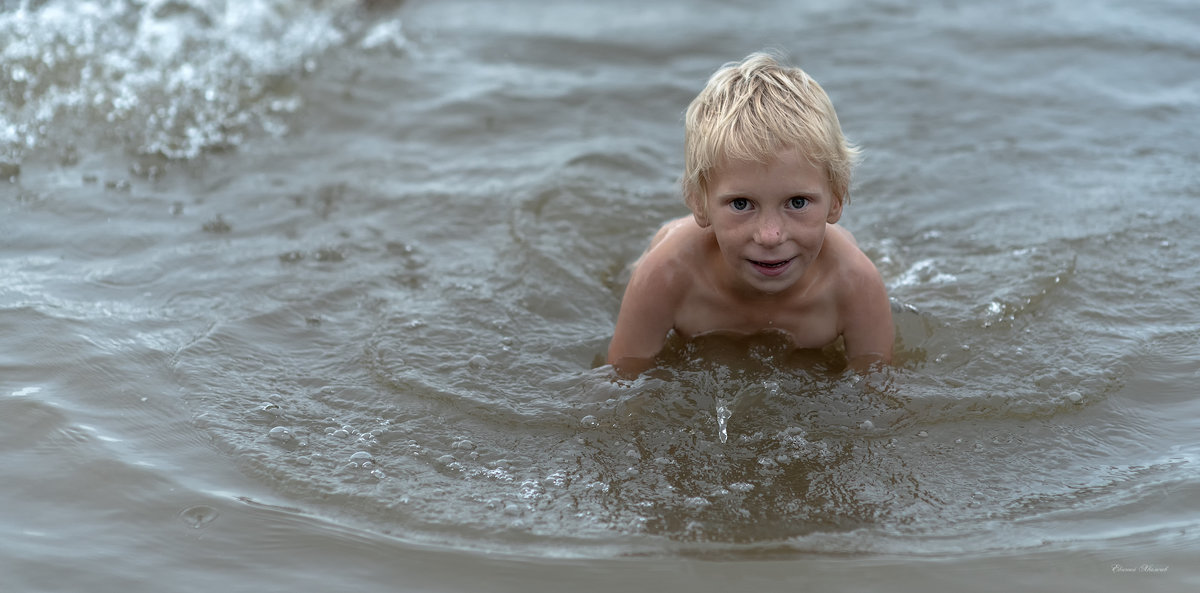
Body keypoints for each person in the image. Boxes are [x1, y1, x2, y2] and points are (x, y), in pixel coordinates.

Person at [606, 52, 893, 377]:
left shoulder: (854, 284)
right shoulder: (667, 275)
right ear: (699, 203)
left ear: (837, 199)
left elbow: (879, 390)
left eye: (797, 202)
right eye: (742, 204)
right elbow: (621, 378)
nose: (770, 236)